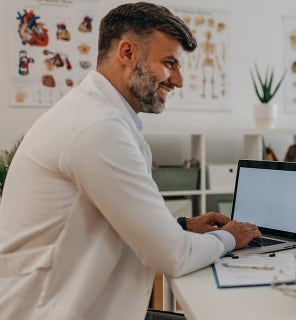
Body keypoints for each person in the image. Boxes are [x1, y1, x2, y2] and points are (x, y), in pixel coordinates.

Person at [0, 3, 261, 319]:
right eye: (169, 64)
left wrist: (183, 226)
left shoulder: (99, 116)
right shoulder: (97, 128)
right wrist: (231, 237)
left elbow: (115, 222)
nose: (178, 81)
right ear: (127, 53)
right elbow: (172, 256)